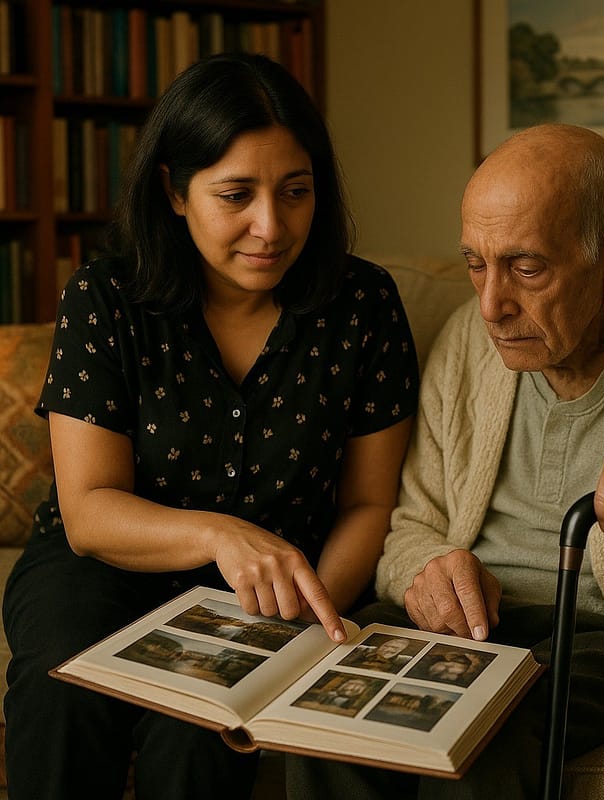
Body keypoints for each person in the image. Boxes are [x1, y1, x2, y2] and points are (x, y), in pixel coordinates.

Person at [285, 123, 604, 798]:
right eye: (475, 263)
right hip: (476, 623)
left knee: (479, 724)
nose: (491, 306)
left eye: (526, 267)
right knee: (329, 703)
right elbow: (409, 527)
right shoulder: (465, 340)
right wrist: (428, 574)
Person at [2, 52, 419, 800]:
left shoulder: (362, 304)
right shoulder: (106, 297)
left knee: (197, 733)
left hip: (272, 594)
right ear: (174, 191)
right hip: (102, 569)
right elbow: (91, 512)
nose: (271, 226)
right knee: (63, 686)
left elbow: (368, 504)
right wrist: (219, 534)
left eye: (296, 192)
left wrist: (307, 616)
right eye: (236, 195)